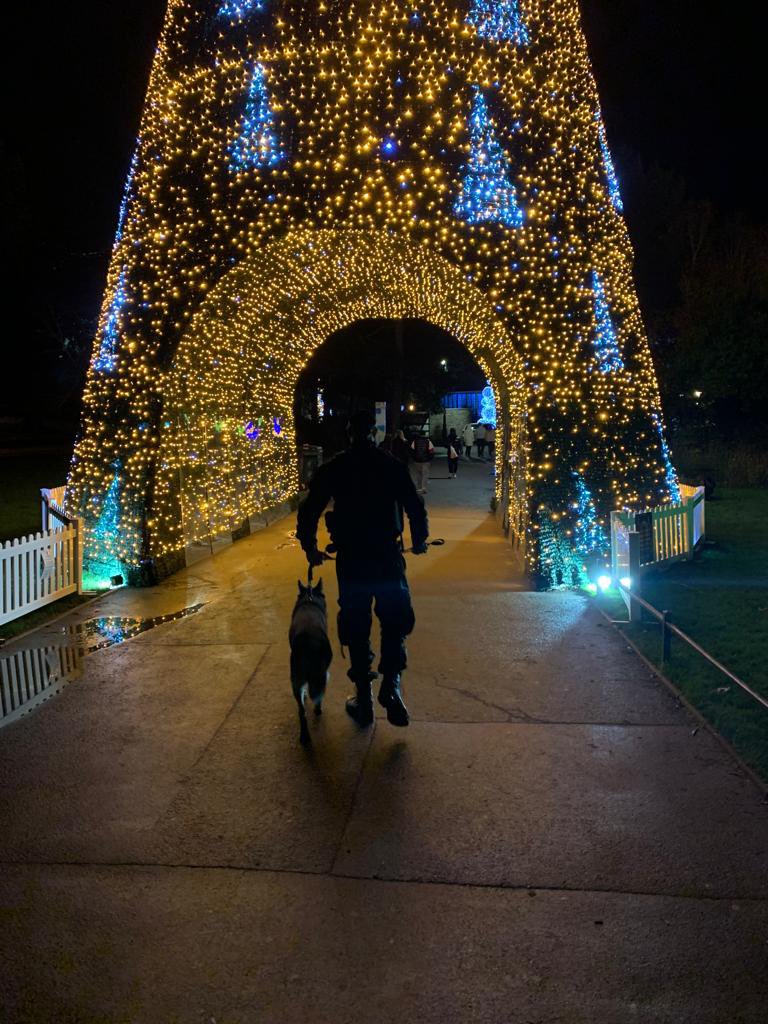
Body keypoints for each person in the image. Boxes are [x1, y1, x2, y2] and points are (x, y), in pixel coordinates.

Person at [296, 411, 429, 729]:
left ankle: (365, 698)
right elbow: (414, 506)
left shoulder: (336, 467)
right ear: (372, 432)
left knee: (356, 625)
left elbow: (310, 509)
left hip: (352, 559)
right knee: (394, 622)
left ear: (347, 433)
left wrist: (311, 549)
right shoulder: (391, 465)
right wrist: (420, 540)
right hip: (386, 555)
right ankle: (391, 686)